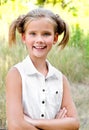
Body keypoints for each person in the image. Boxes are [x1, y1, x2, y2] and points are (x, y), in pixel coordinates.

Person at [6, 8, 80, 130]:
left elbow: (74, 123)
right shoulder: (16, 75)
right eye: (33, 34)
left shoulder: (60, 79)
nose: (39, 40)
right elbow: (16, 125)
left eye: (46, 34)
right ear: (24, 37)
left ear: (55, 38)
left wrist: (33, 121)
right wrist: (56, 125)